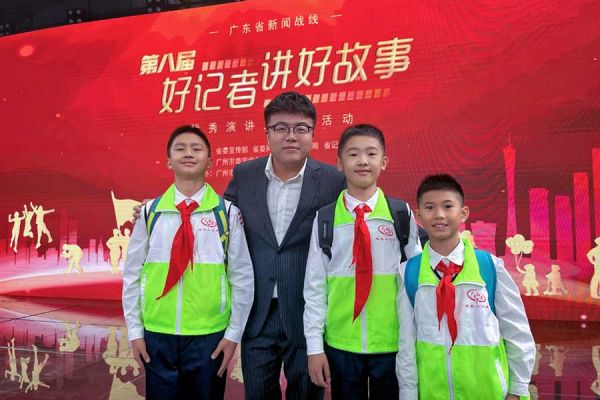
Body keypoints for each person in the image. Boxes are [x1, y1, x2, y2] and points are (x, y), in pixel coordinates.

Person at [223, 91, 346, 400]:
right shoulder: (245, 174)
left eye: (301, 128)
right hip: (258, 311)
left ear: (312, 134)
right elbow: (220, 221)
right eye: (281, 128)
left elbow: (360, 214)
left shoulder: (332, 180)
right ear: (267, 133)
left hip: (306, 312)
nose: (291, 136)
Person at [122, 125, 254, 400]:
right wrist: (135, 331)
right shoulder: (150, 213)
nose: (189, 154)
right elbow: (132, 274)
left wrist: (233, 335)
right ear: (169, 161)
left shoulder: (226, 213)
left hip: (209, 335)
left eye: (197, 149)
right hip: (157, 333)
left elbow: (242, 277)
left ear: (210, 161)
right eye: (180, 148)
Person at [303, 124, 421, 400]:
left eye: (371, 153)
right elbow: (315, 288)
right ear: (339, 163)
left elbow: (415, 283)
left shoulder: (400, 215)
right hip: (341, 344)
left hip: (391, 343)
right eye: (353, 154)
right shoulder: (325, 219)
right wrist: (314, 348)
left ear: (384, 162)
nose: (363, 161)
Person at [396, 174, 535, 400]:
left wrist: (517, 389)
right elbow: (406, 345)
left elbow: (517, 331)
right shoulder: (409, 273)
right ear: (419, 216)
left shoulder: (489, 267)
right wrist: (408, 394)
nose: (439, 214)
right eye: (430, 207)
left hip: (488, 393)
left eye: (447, 206)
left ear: (463, 213)